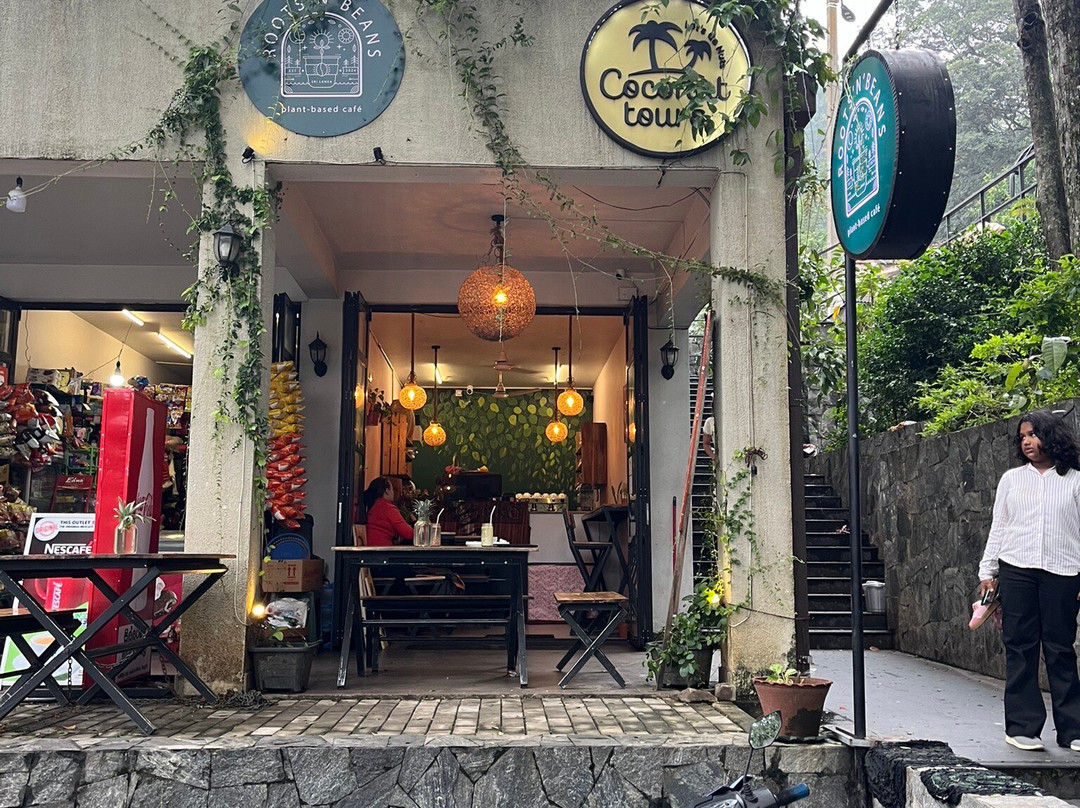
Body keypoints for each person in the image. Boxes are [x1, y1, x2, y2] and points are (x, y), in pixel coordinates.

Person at [978, 411, 1080, 752]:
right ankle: (1022, 728)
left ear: (1052, 437)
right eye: (1022, 436)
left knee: (1060, 649)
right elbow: (999, 526)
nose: (1026, 441)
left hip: (1063, 572)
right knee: (1020, 647)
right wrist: (987, 571)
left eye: (1033, 434)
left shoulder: (1075, 481)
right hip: (1016, 570)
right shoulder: (1012, 479)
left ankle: (1073, 730)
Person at [363, 476, 414, 546]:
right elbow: (409, 533)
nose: (393, 492)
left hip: (373, 548)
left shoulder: (375, 505)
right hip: (382, 549)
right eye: (392, 489)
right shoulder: (387, 507)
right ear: (387, 490)